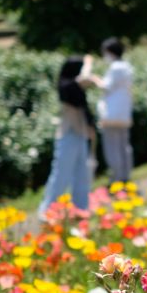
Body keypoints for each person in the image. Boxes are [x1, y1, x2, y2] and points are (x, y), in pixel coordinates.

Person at [38, 57, 96, 219]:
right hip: (68, 135)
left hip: (81, 134)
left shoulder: (76, 87)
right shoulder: (66, 85)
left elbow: (85, 109)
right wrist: (88, 63)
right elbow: (83, 79)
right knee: (60, 175)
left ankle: (81, 209)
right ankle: (47, 210)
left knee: (82, 175)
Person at [82, 37, 133, 184]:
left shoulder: (116, 68)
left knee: (112, 148)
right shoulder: (127, 67)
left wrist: (94, 79)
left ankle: (117, 178)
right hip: (124, 114)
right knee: (124, 147)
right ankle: (125, 176)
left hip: (111, 114)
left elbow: (106, 86)